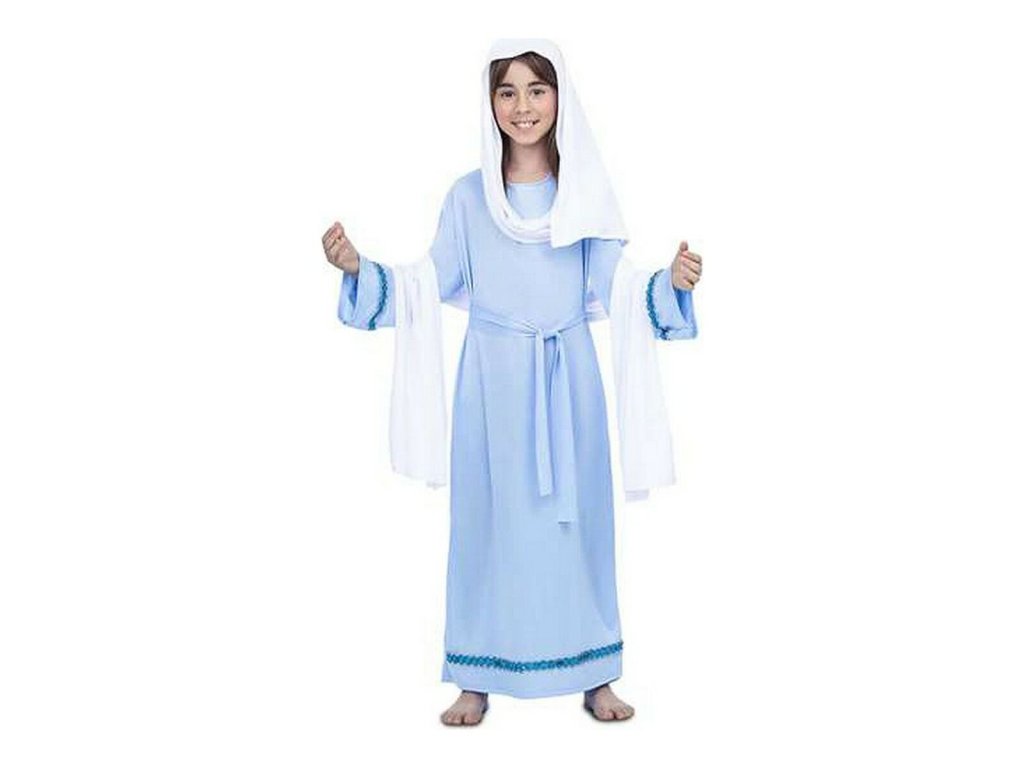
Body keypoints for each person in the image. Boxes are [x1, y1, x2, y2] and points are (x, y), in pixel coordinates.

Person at [322, 39, 703, 726]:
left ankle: (594, 672)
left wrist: (669, 284)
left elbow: (615, 286)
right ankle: (476, 674)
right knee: (487, 526)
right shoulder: (469, 198)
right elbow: (427, 282)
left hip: (567, 382)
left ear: (560, 99)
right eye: (507, 91)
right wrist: (359, 269)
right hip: (491, 388)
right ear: (490, 103)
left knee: (577, 526)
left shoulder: (584, 192)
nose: (522, 106)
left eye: (536, 89)